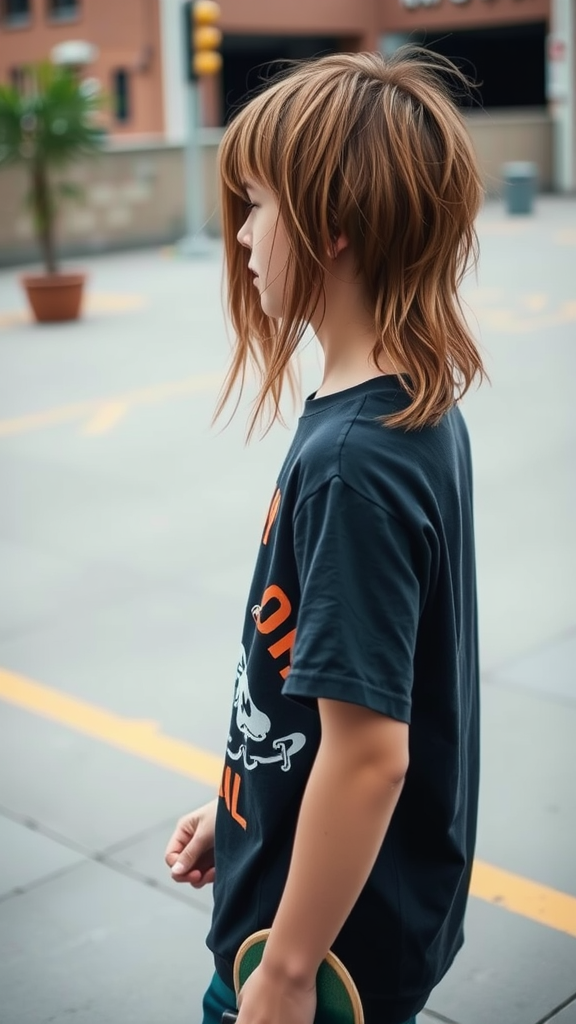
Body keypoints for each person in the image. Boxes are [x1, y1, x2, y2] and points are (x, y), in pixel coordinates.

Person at [165, 48, 486, 1024]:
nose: (242, 235)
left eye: (257, 206)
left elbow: (370, 754)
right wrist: (248, 813)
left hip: (314, 960)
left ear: (332, 224)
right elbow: (338, 693)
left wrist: (288, 970)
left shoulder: (354, 462)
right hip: (332, 900)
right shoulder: (411, 405)